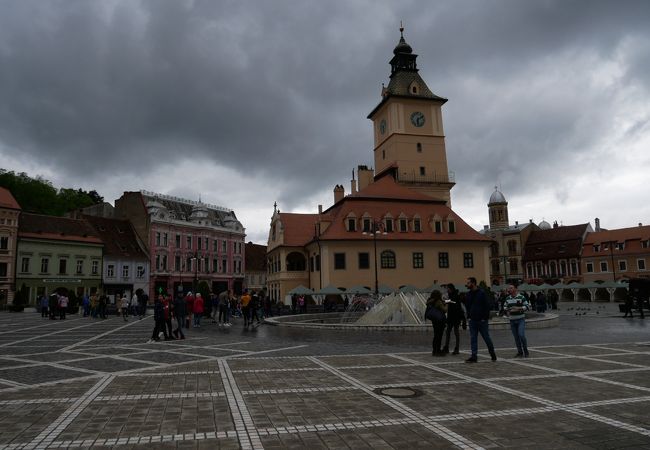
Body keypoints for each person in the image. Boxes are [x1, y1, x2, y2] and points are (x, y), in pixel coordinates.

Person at [465, 277, 497, 363]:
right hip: (472, 320)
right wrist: (469, 316)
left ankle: (492, 353)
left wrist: (484, 318)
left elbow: (487, 306)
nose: (467, 285)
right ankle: (474, 356)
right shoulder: (468, 294)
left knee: (486, 338)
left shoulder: (482, 293)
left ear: (473, 283)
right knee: (473, 339)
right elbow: (467, 306)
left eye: (468, 283)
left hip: (482, 321)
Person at [504, 284, 530, 358]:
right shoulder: (507, 298)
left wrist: (519, 308)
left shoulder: (521, 297)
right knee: (516, 337)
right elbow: (505, 307)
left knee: (521, 335)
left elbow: (527, 306)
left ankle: (526, 351)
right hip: (512, 320)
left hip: (520, 319)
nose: (509, 289)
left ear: (515, 289)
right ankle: (520, 352)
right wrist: (507, 311)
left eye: (511, 288)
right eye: (509, 288)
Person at [442, 283, 466, 355]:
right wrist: (446, 301)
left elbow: (455, 302)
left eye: (448, 289)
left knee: (456, 333)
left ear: (451, 288)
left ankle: (457, 348)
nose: (447, 290)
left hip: (456, 317)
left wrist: (446, 301)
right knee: (448, 332)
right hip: (450, 317)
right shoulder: (451, 295)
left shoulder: (456, 295)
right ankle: (446, 347)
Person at [426, 290, 447, 356]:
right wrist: (447, 304)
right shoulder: (438, 301)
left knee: (436, 336)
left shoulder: (430, 301)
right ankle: (438, 351)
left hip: (434, 320)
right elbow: (444, 310)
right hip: (440, 321)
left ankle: (434, 350)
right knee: (439, 336)